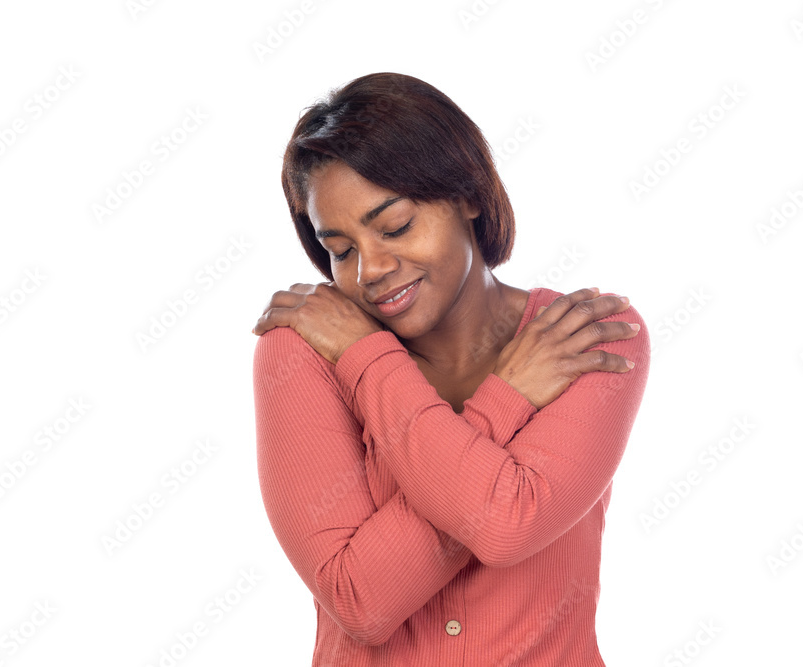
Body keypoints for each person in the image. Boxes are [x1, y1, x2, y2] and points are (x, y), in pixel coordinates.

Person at [252, 72, 650, 666]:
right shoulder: (305, 350)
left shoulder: (586, 336)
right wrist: (505, 397)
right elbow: (359, 600)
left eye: (395, 227)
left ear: (468, 195)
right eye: (341, 250)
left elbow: (508, 526)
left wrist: (367, 359)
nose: (369, 270)